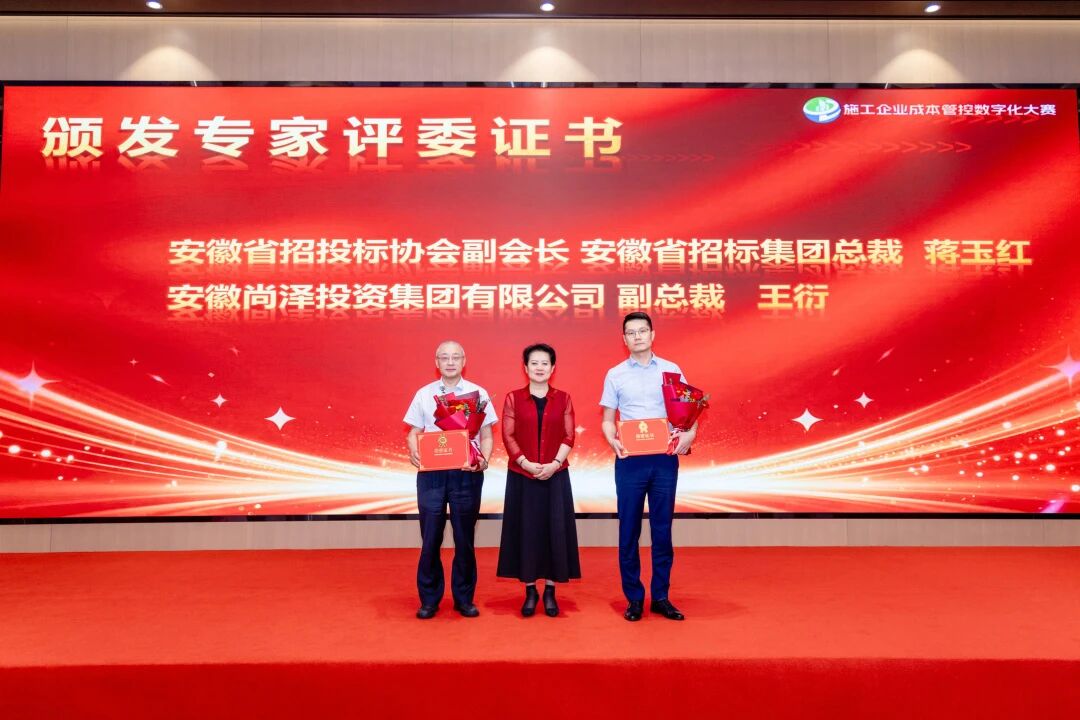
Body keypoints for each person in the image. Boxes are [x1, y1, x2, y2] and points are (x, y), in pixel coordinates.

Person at [600, 311, 696, 622]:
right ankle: (634, 598)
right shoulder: (615, 374)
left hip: (663, 459)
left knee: (662, 529)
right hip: (630, 460)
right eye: (631, 332)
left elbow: (688, 412)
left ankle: (661, 597)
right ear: (624, 339)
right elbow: (607, 419)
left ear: (652, 335)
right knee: (628, 529)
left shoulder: (671, 370)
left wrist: (689, 435)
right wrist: (612, 439)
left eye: (642, 331)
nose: (637, 336)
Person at [404, 340, 496, 620]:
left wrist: (484, 460)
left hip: (467, 473)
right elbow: (413, 431)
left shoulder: (478, 393)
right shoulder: (424, 394)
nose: (450, 362)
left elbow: (487, 435)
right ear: (437, 362)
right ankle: (429, 599)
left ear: (464, 361)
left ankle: (464, 598)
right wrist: (413, 450)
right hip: (432, 474)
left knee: (464, 537)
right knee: (430, 537)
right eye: (444, 357)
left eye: (455, 357)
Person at [497, 343, 581, 618]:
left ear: (553, 368)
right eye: (534, 363)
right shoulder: (513, 398)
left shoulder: (564, 398)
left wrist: (554, 464)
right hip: (523, 476)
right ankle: (531, 589)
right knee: (528, 531)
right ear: (525, 367)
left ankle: (550, 590)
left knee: (555, 530)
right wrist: (525, 463)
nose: (540, 368)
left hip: (555, 475)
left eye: (545, 363)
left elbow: (569, 435)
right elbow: (508, 435)